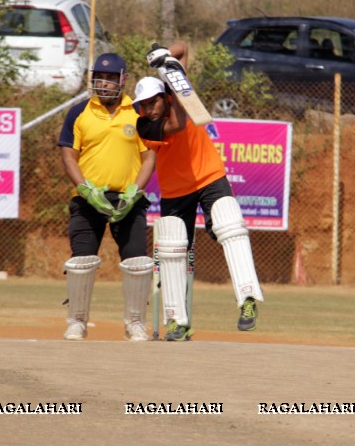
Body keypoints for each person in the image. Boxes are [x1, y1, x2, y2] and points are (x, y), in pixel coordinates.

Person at [132, 42, 264, 341]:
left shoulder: (177, 90)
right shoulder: (146, 126)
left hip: (208, 176)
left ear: (164, 98)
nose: (147, 109)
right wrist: (175, 86)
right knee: (172, 248)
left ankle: (247, 299)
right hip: (175, 192)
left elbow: (184, 49)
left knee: (230, 225)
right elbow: (178, 124)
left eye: (152, 102)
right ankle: (178, 321)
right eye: (142, 104)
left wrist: (164, 54)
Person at [57, 53, 157, 341]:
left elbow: (149, 156)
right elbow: (68, 155)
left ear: (122, 80)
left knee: (138, 263)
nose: (104, 83)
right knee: (81, 262)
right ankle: (76, 321)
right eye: (99, 78)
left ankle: (135, 323)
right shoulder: (79, 112)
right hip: (89, 200)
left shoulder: (137, 112)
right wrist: (86, 189)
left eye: (111, 78)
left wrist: (134, 190)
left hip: (128, 200)